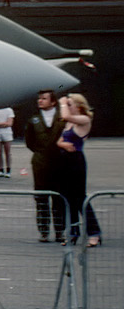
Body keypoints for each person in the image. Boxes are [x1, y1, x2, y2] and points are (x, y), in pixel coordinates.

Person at [53, 94, 100, 248]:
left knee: (80, 197)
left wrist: (62, 103)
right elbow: (59, 141)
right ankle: (73, 232)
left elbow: (65, 115)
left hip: (76, 161)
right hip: (64, 160)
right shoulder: (69, 124)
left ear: (79, 106)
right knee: (67, 197)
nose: (68, 106)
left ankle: (94, 233)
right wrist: (63, 145)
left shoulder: (84, 119)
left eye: (71, 104)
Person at [25, 90, 64, 243]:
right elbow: (30, 142)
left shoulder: (62, 119)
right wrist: (41, 153)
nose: (40, 101)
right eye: (39, 99)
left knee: (59, 199)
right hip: (40, 163)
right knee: (41, 198)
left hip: (60, 163)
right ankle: (44, 231)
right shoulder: (33, 120)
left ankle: (60, 231)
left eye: (44, 98)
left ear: (53, 102)